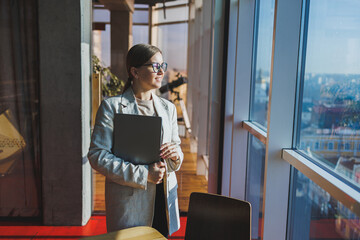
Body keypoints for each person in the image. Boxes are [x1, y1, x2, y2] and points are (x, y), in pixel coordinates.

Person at [87, 44, 183, 237]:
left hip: (163, 198)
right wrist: (144, 174)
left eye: (162, 65)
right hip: (130, 199)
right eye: (155, 66)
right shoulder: (112, 108)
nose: (162, 71)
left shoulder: (168, 108)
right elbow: (97, 156)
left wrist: (175, 155)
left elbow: (176, 148)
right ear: (135, 71)